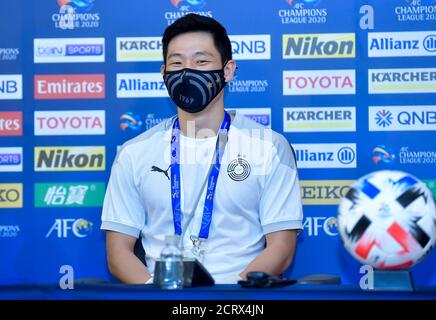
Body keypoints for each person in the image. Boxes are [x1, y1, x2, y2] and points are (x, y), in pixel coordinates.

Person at [101, 13, 303, 284]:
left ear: (228, 71)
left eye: (201, 61)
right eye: (177, 62)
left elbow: (281, 247)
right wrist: (158, 294)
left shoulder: (270, 147)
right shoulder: (133, 153)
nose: (188, 71)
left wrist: (228, 298)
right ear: (164, 73)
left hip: (239, 300)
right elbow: (118, 251)